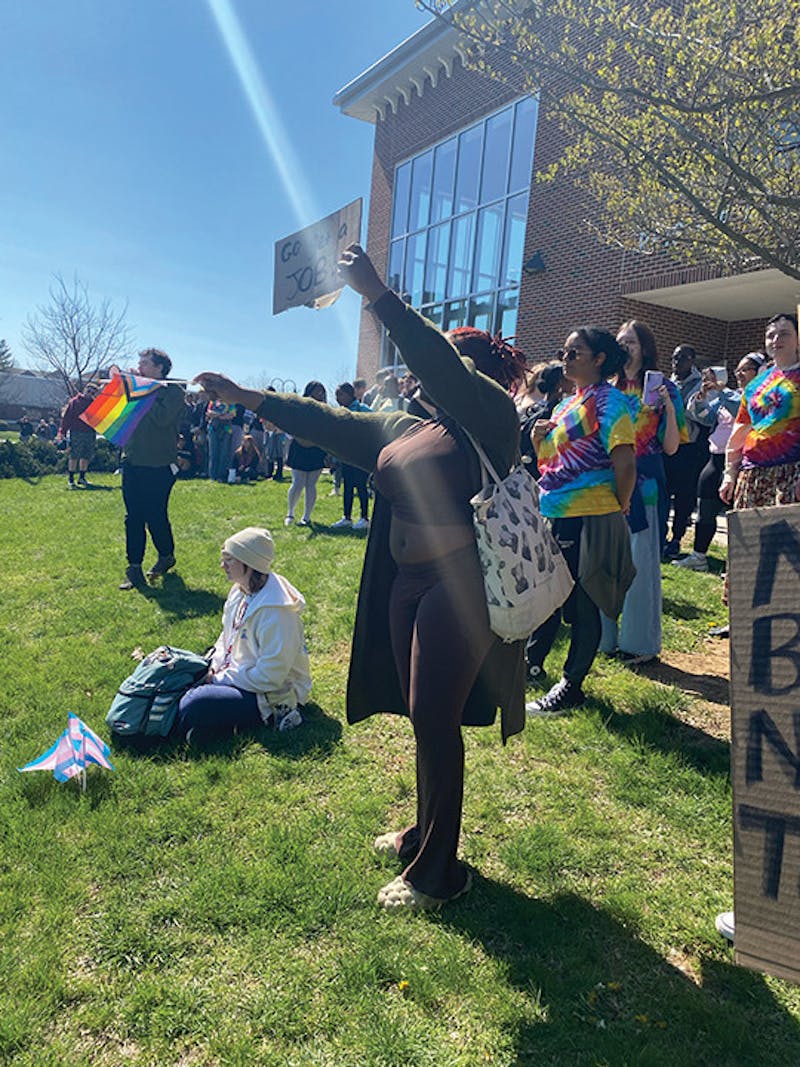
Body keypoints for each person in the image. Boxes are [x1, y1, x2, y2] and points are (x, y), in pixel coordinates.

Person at [195, 243, 527, 912]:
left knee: (435, 714)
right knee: (422, 715)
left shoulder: (490, 420)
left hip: (457, 584)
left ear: (474, 372)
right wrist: (248, 396)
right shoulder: (412, 424)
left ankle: (440, 873)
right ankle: (422, 831)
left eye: (441, 363)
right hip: (407, 584)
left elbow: (439, 361)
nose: (416, 372)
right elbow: (332, 422)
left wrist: (377, 295)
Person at [525, 328, 636, 714]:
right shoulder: (562, 407)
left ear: (600, 358)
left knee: (585, 602)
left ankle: (572, 686)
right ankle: (532, 663)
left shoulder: (610, 403)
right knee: (549, 594)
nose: (566, 357)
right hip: (556, 512)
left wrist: (619, 505)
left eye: (576, 351)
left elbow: (625, 462)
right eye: (564, 350)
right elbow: (550, 466)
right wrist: (540, 442)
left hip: (591, 514)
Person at [599, 320, 685, 664]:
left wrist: (667, 407)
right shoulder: (608, 388)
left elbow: (673, 447)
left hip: (646, 485)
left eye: (631, 342)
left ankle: (639, 643)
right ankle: (603, 638)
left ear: (645, 348)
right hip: (606, 485)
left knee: (640, 565)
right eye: (620, 342)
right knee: (605, 562)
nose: (625, 348)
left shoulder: (664, 387)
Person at [177, 527, 311, 742]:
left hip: (271, 692)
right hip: (237, 674)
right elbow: (225, 637)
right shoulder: (240, 590)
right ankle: (197, 723)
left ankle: (279, 714)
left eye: (229, 560)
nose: (223, 565)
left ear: (249, 563)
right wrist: (213, 665)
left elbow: (270, 676)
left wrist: (218, 680)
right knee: (179, 672)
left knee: (195, 703)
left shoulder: (277, 612)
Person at [673, 354, 764, 573]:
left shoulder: (758, 398)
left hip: (741, 463)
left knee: (738, 516)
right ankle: (699, 556)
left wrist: (721, 391)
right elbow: (704, 416)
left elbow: (740, 410)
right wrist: (701, 398)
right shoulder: (728, 396)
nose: (739, 374)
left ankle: (736, 564)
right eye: (737, 370)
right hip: (715, 459)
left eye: (746, 369)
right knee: (705, 509)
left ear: (760, 372)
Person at [119, 348, 185, 590]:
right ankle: (133, 567)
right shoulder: (137, 389)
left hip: (159, 466)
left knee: (155, 516)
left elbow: (161, 419)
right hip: (133, 460)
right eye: (140, 362)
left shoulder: (174, 393)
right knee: (133, 517)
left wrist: (144, 391)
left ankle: (166, 555)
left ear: (160, 368)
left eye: (145, 363)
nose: (140, 366)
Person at [720, 314, 800, 510]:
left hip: (792, 473)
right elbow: (740, 431)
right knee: (752, 540)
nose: (776, 340)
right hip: (752, 473)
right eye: (771, 335)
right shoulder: (756, 385)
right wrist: (730, 474)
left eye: (784, 334)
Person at [663, 345, 706, 560]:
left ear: (692, 360)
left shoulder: (700, 385)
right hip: (666, 445)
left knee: (684, 496)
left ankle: (676, 538)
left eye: (682, 358)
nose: (676, 362)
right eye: (674, 357)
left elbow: (703, 415)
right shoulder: (667, 383)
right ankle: (661, 536)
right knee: (663, 491)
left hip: (688, 447)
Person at [285, 381, 328, 526]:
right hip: (299, 447)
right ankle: (290, 514)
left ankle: (306, 517)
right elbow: (290, 426)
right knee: (297, 483)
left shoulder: (325, 410)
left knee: (311, 484)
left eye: (322, 392)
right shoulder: (300, 407)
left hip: (317, 449)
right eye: (317, 391)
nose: (320, 395)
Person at [332, 382, 371, 529]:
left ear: (350, 394)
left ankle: (364, 518)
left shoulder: (363, 410)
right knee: (347, 486)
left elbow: (372, 429)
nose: (337, 398)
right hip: (346, 456)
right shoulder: (339, 412)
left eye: (340, 394)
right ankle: (347, 517)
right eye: (336, 395)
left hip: (360, 456)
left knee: (361, 486)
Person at [58, 384, 98, 488]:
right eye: (89, 391)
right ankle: (71, 479)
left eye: (93, 393)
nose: (90, 394)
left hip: (90, 432)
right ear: (85, 390)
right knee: (74, 455)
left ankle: (82, 478)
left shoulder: (95, 404)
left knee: (86, 455)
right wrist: (62, 432)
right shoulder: (75, 402)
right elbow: (67, 418)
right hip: (76, 432)